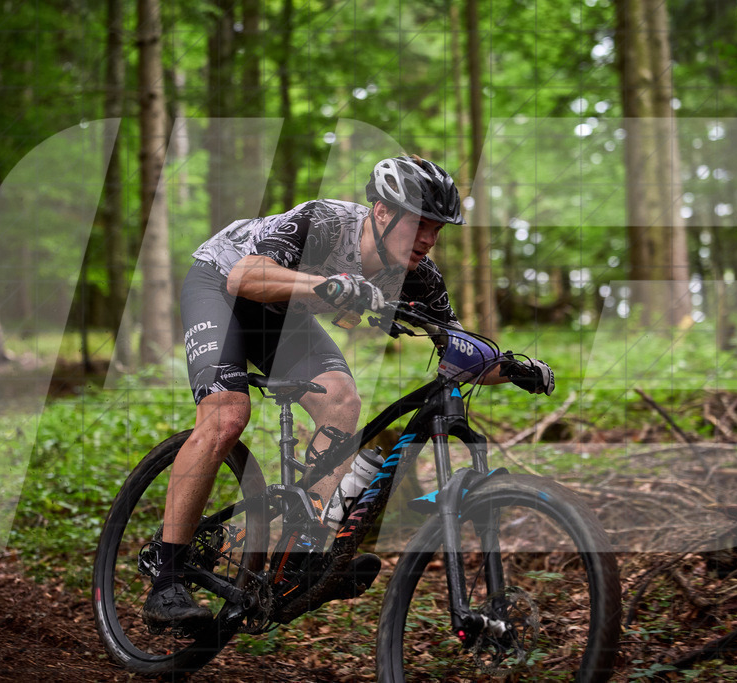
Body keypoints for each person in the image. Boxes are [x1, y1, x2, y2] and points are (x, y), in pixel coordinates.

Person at [142, 155, 555, 629]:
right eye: (419, 224)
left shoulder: (420, 274)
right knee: (227, 416)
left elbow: (459, 350)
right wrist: (329, 284)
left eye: (436, 229)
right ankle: (166, 576)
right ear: (382, 211)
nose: (428, 239)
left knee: (342, 400)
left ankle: (300, 557)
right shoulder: (325, 222)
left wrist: (514, 369)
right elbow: (245, 277)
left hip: (281, 315)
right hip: (220, 285)